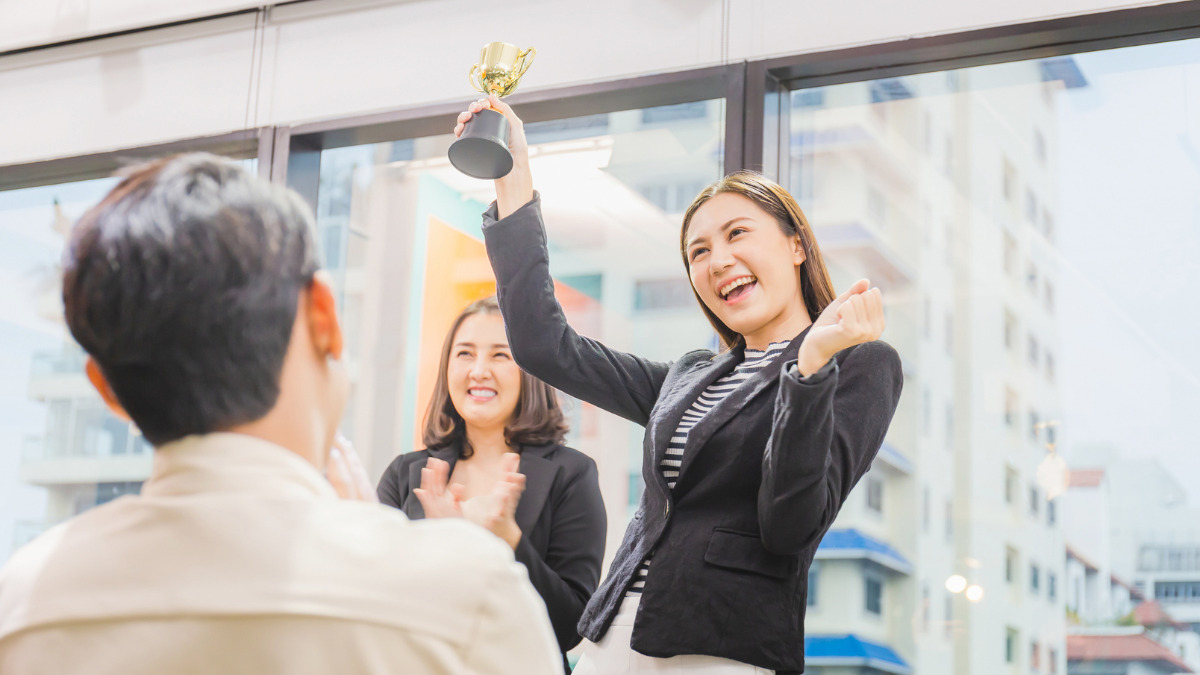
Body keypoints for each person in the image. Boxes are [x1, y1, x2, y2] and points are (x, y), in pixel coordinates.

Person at [0, 154, 562, 675]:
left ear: (106, 390)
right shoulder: (469, 595)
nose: (478, 370)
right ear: (323, 315)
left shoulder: (22, 607)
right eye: (465, 353)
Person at [453, 96, 905, 674]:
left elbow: (790, 524)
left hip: (718, 649)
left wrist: (809, 368)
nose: (718, 260)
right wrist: (513, 171)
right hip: (609, 639)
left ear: (796, 245)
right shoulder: (689, 376)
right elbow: (545, 345)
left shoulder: (858, 364)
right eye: (699, 251)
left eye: (737, 233)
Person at [377, 296, 607, 672]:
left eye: (500, 355)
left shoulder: (571, 473)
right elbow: (377, 599)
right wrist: (441, 546)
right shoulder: (406, 474)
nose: (479, 370)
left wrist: (509, 539)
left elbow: (570, 627)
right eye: (465, 354)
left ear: (529, 370)